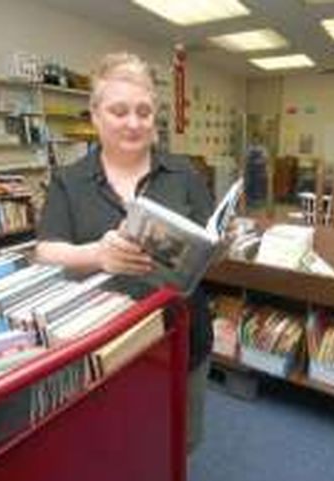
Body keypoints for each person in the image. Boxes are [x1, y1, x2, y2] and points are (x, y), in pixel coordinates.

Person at [35, 52, 214, 451]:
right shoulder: (69, 180)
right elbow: (45, 251)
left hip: (181, 334)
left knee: (178, 443)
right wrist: (97, 255)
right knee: (117, 446)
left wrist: (222, 245)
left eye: (144, 112)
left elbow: (210, 238)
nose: (134, 123)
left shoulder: (184, 173)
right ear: (95, 116)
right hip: (102, 341)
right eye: (119, 111)